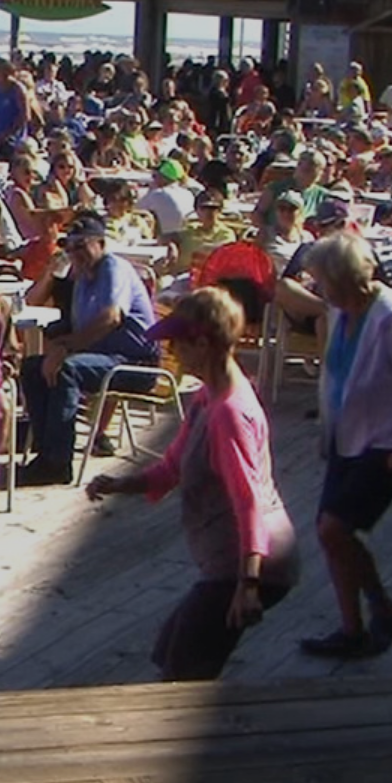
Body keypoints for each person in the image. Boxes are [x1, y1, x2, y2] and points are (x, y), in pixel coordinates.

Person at [85, 287, 298, 681]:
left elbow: (247, 502)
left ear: (202, 344)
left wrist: (248, 585)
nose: (171, 351)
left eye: (177, 343)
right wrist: (120, 485)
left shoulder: (229, 414)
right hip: (230, 561)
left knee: (182, 672)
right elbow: (171, 468)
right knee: (171, 650)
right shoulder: (208, 395)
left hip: (252, 564)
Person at [291, 233, 392, 658]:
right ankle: (355, 626)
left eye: (322, 280)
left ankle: (379, 608)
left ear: (343, 278)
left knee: (334, 529)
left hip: (387, 442)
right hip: (347, 436)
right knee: (332, 535)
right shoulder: (341, 313)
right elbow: (336, 376)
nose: (318, 288)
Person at [19, 213, 159, 486]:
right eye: (70, 247)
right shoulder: (82, 277)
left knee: (67, 370)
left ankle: (57, 464)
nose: (75, 253)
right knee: (33, 367)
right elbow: (75, 325)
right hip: (102, 358)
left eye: (81, 246)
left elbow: (111, 318)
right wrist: (58, 347)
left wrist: (64, 347)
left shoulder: (113, 268)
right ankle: (45, 453)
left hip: (136, 363)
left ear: (101, 243)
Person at [137, 159, 195, 241]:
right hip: (187, 238)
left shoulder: (157, 194)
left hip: (167, 240)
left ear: (164, 177)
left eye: (155, 176)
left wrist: (150, 191)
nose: (152, 179)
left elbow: (134, 209)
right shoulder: (188, 194)